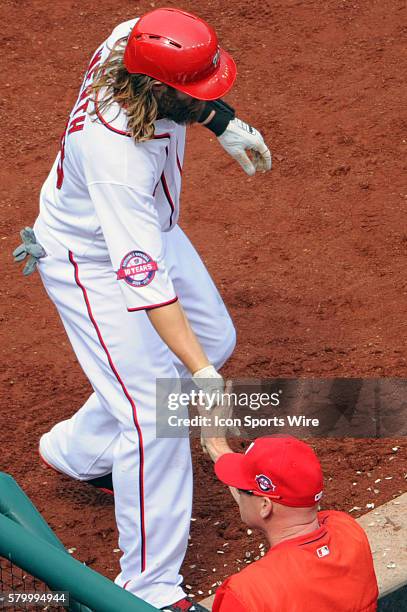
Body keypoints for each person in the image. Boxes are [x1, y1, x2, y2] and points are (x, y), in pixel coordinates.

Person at [13, 8, 271, 612]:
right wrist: (202, 381)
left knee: (214, 337)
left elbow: (169, 52)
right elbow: (148, 288)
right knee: (157, 415)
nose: (206, 95)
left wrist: (219, 118)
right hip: (96, 261)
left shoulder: (132, 41)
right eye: (196, 94)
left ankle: (76, 452)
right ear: (155, 86)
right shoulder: (118, 161)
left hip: (148, 231)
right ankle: (148, 588)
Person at [208, 435, 378, 612]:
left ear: (265, 506)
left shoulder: (247, 594)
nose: (239, 493)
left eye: (242, 489)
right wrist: (217, 447)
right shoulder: (348, 530)